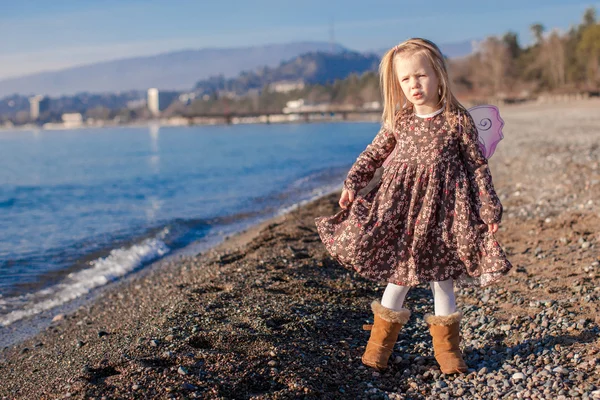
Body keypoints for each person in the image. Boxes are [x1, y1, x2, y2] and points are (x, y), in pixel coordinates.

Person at [314, 38, 512, 374]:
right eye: (405, 79)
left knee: (443, 280)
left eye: (420, 76)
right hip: (402, 213)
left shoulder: (457, 120)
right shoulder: (400, 120)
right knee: (400, 277)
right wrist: (352, 182)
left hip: (445, 215)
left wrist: (489, 208)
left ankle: (448, 353)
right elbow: (373, 154)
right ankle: (378, 348)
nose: (413, 85)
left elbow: (477, 166)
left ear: (437, 75)